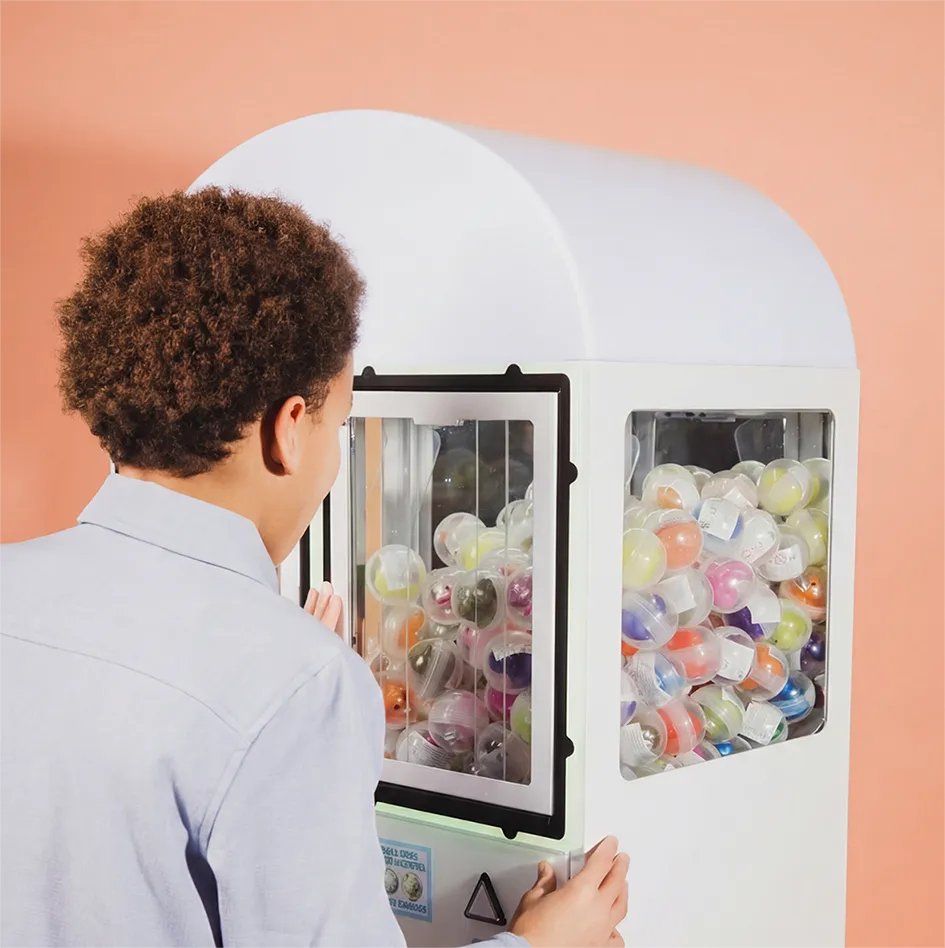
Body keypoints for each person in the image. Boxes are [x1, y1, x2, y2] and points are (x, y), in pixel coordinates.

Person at [0, 188, 629, 948]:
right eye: (342, 422)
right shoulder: (295, 679)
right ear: (289, 430)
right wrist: (542, 946)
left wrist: (270, 687)